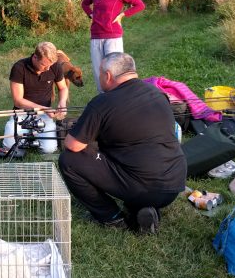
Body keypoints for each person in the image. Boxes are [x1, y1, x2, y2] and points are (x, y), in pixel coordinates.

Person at [58, 52, 186, 233]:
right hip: (174, 183)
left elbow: (73, 145)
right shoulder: (159, 94)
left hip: (139, 183)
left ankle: (112, 218)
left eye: (100, 73)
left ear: (108, 76)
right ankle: (144, 209)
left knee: (69, 160)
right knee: (136, 162)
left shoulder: (102, 102)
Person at [81, 0, 145, 92]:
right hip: (96, 36)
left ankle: (117, 98)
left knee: (114, 70)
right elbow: (84, 4)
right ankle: (102, 100)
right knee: (98, 70)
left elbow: (139, 5)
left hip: (113, 37)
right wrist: (91, 14)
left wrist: (123, 15)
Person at [1, 42, 69, 155]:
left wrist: (62, 102)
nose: (48, 68)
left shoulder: (55, 66)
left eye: (50, 65)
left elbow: (63, 88)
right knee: (10, 147)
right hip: (22, 113)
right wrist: (44, 108)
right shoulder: (19, 67)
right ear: (35, 57)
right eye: (44, 64)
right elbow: (18, 100)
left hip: (44, 115)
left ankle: (32, 136)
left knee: (49, 149)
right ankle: (27, 135)